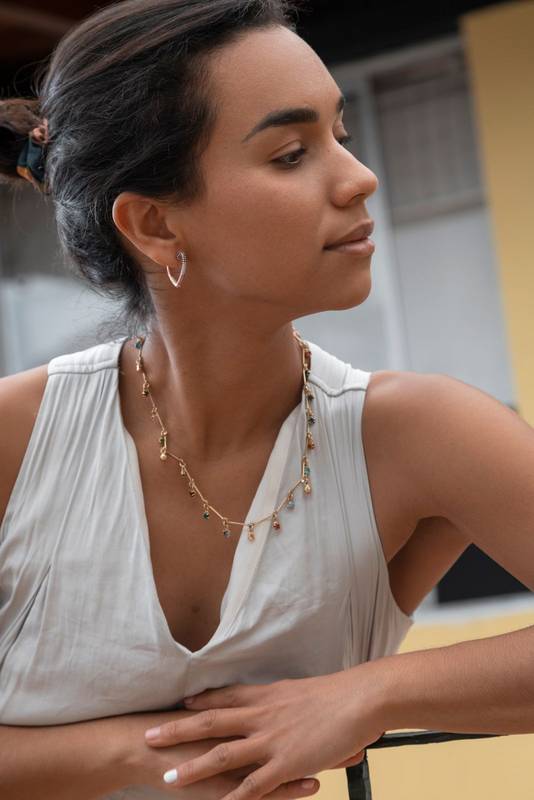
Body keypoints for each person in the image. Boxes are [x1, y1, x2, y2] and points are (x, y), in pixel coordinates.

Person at [2, 1, 534, 798]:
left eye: (340, 136)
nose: (360, 178)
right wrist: (137, 759)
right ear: (153, 225)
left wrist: (369, 694)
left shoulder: (416, 434)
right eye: (291, 153)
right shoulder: (18, 440)